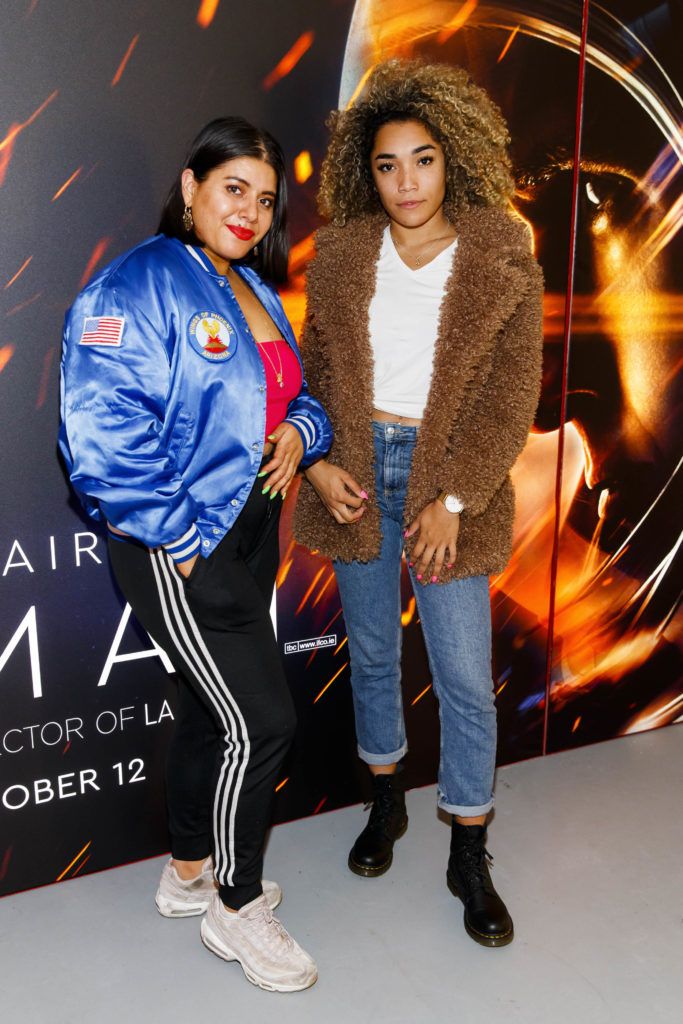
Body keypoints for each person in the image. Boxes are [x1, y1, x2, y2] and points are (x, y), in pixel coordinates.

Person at [59, 117, 332, 992]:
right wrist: (178, 536)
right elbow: (100, 433)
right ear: (189, 189)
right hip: (182, 545)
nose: (249, 209)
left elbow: (295, 397)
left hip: (251, 532)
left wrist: (299, 429)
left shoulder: (251, 284)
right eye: (231, 189)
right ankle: (234, 903)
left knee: (211, 715)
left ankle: (187, 876)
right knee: (263, 722)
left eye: (263, 196)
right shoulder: (135, 284)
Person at [294, 59, 543, 947]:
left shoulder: (500, 255)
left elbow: (512, 397)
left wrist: (452, 497)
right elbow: (314, 379)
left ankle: (468, 847)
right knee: (370, 657)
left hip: (446, 485)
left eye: (423, 159)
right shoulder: (345, 254)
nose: (406, 181)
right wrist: (318, 466)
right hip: (358, 471)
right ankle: (386, 803)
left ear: (455, 158)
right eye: (388, 164)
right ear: (367, 172)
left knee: (465, 679)